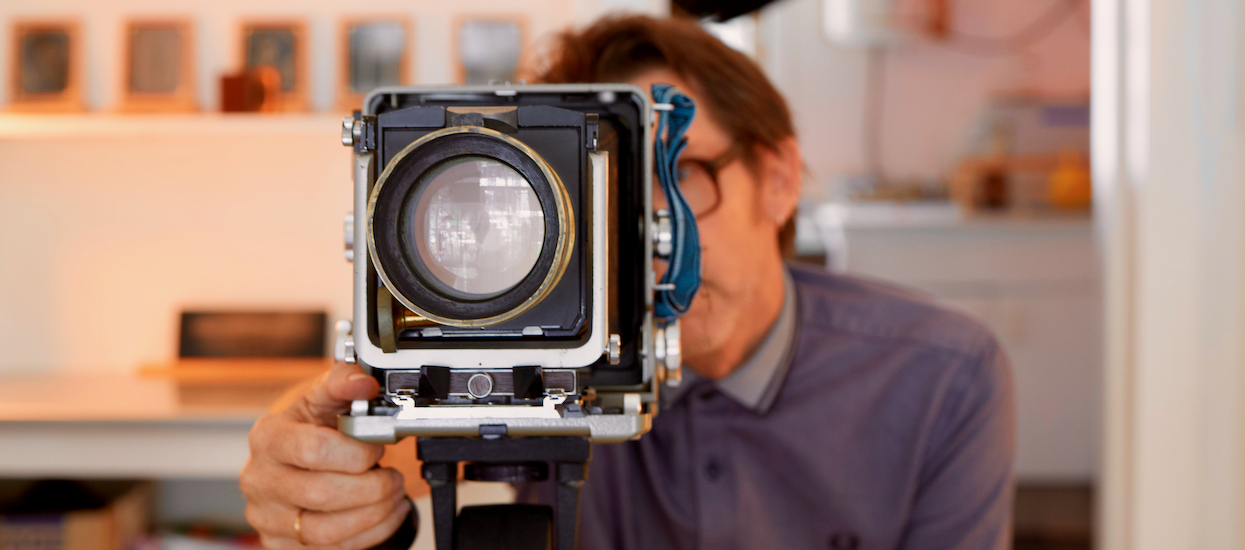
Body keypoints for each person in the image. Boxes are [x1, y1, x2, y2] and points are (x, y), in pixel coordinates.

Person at [239, 14, 1015, 550]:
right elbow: (376, 465)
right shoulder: (542, 364)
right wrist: (324, 480)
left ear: (777, 178)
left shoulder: (939, 376)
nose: (644, 242)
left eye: (679, 177)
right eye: (602, 210)